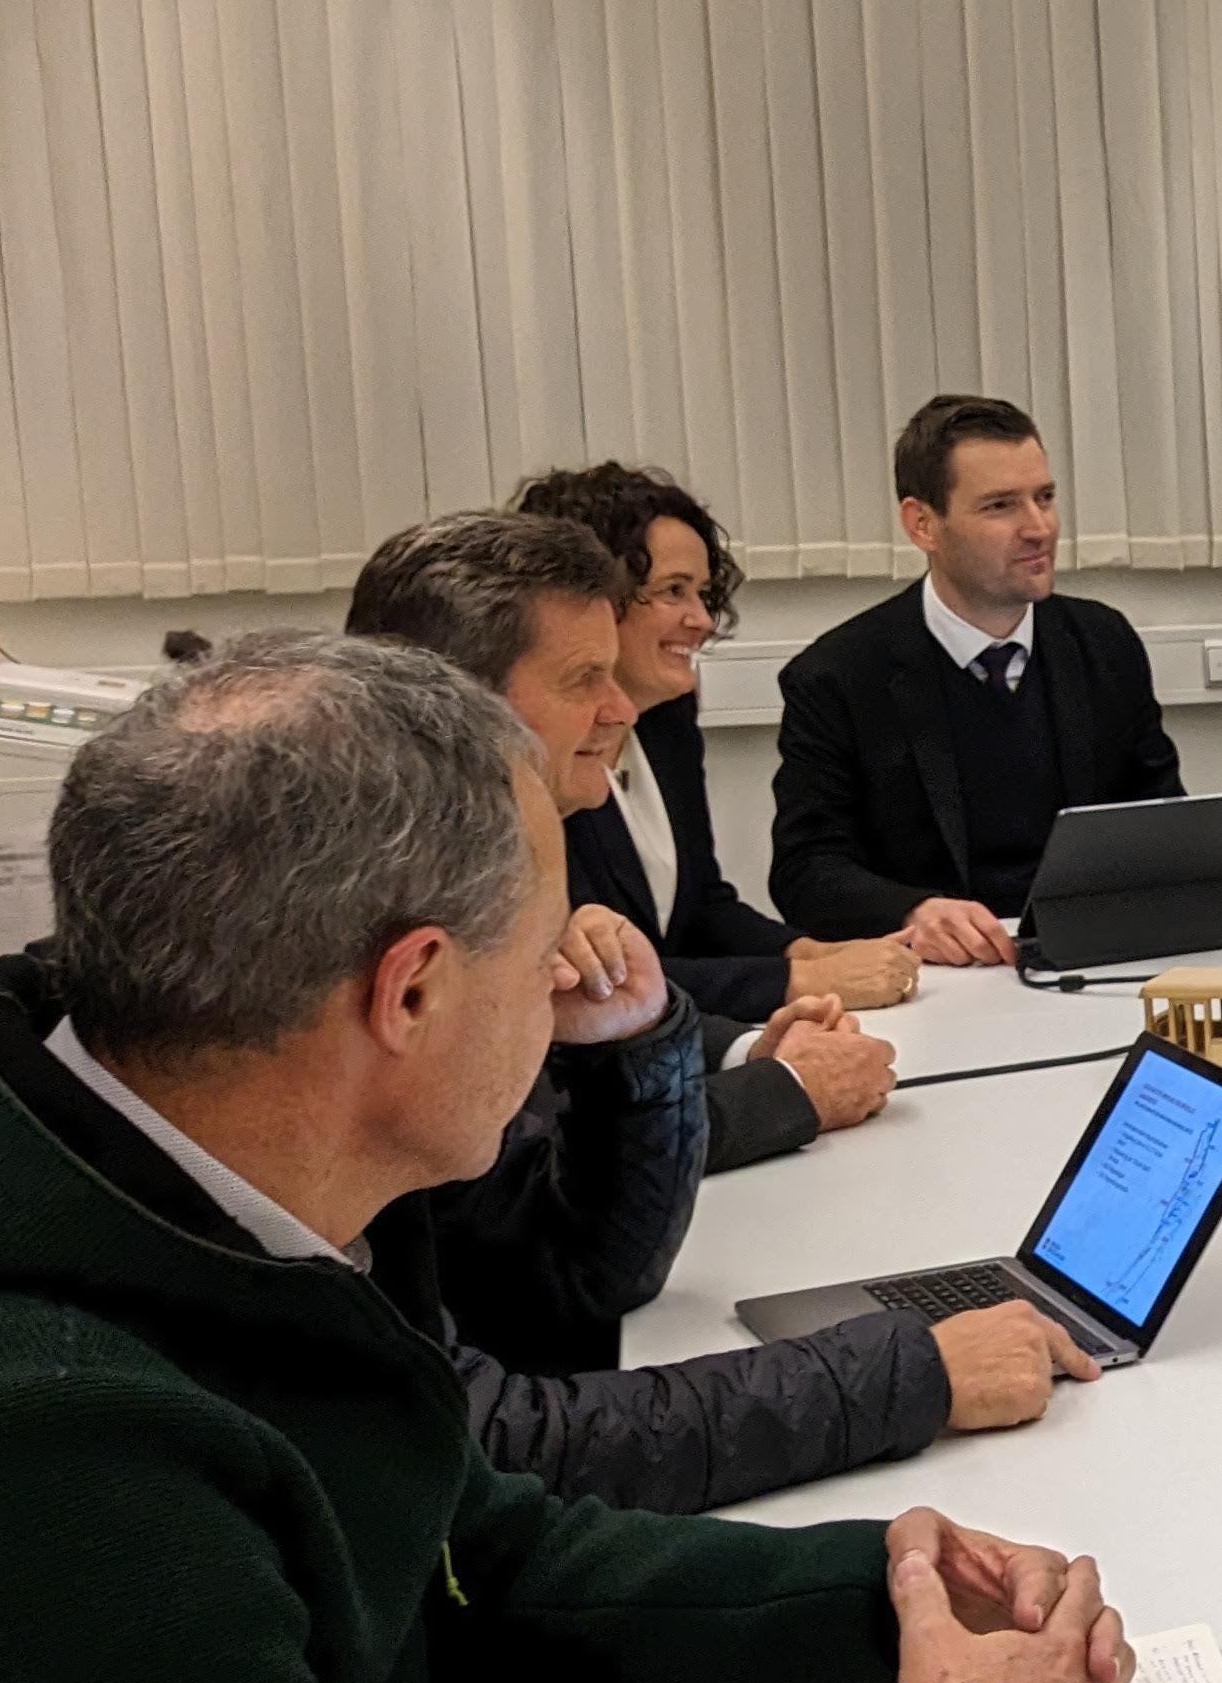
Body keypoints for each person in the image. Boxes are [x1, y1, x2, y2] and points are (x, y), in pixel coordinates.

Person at [0, 632, 1135, 1683]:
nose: (568, 979)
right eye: (540, 944)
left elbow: (471, 1557)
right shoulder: (37, 1455)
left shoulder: (164, 1171)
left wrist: (888, 1593)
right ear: (415, 989)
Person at [347, 512, 1095, 1510]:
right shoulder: (392, 947)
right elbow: (489, 1438)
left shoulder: (480, 893)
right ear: (451, 710)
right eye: (582, 681)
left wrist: (642, 1038)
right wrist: (901, 1376)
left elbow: (588, 1282)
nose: (619, 706)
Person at [350, 511, 894, 1177]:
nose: (620, 709)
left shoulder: (487, 837)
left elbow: (610, 1000)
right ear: (461, 700)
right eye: (584, 679)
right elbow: (538, 1165)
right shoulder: (412, 888)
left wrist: (748, 1047)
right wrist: (790, 1088)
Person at [771, 393, 1184, 963]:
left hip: (1095, 960)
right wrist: (914, 910)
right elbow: (806, 870)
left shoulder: (1103, 644)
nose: (1038, 527)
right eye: (1000, 506)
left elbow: (1162, 823)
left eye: (1044, 498)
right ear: (923, 525)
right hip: (940, 980)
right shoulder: (837, 677)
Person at [515, 462, 921, 1023]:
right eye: (674, 591)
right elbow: (590, 979)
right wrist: (797, 980)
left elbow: (702, 906)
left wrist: (805, 949)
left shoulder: (664, 719)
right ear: (595, 599)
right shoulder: (531, 757)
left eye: (704, 593)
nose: (703, 620)